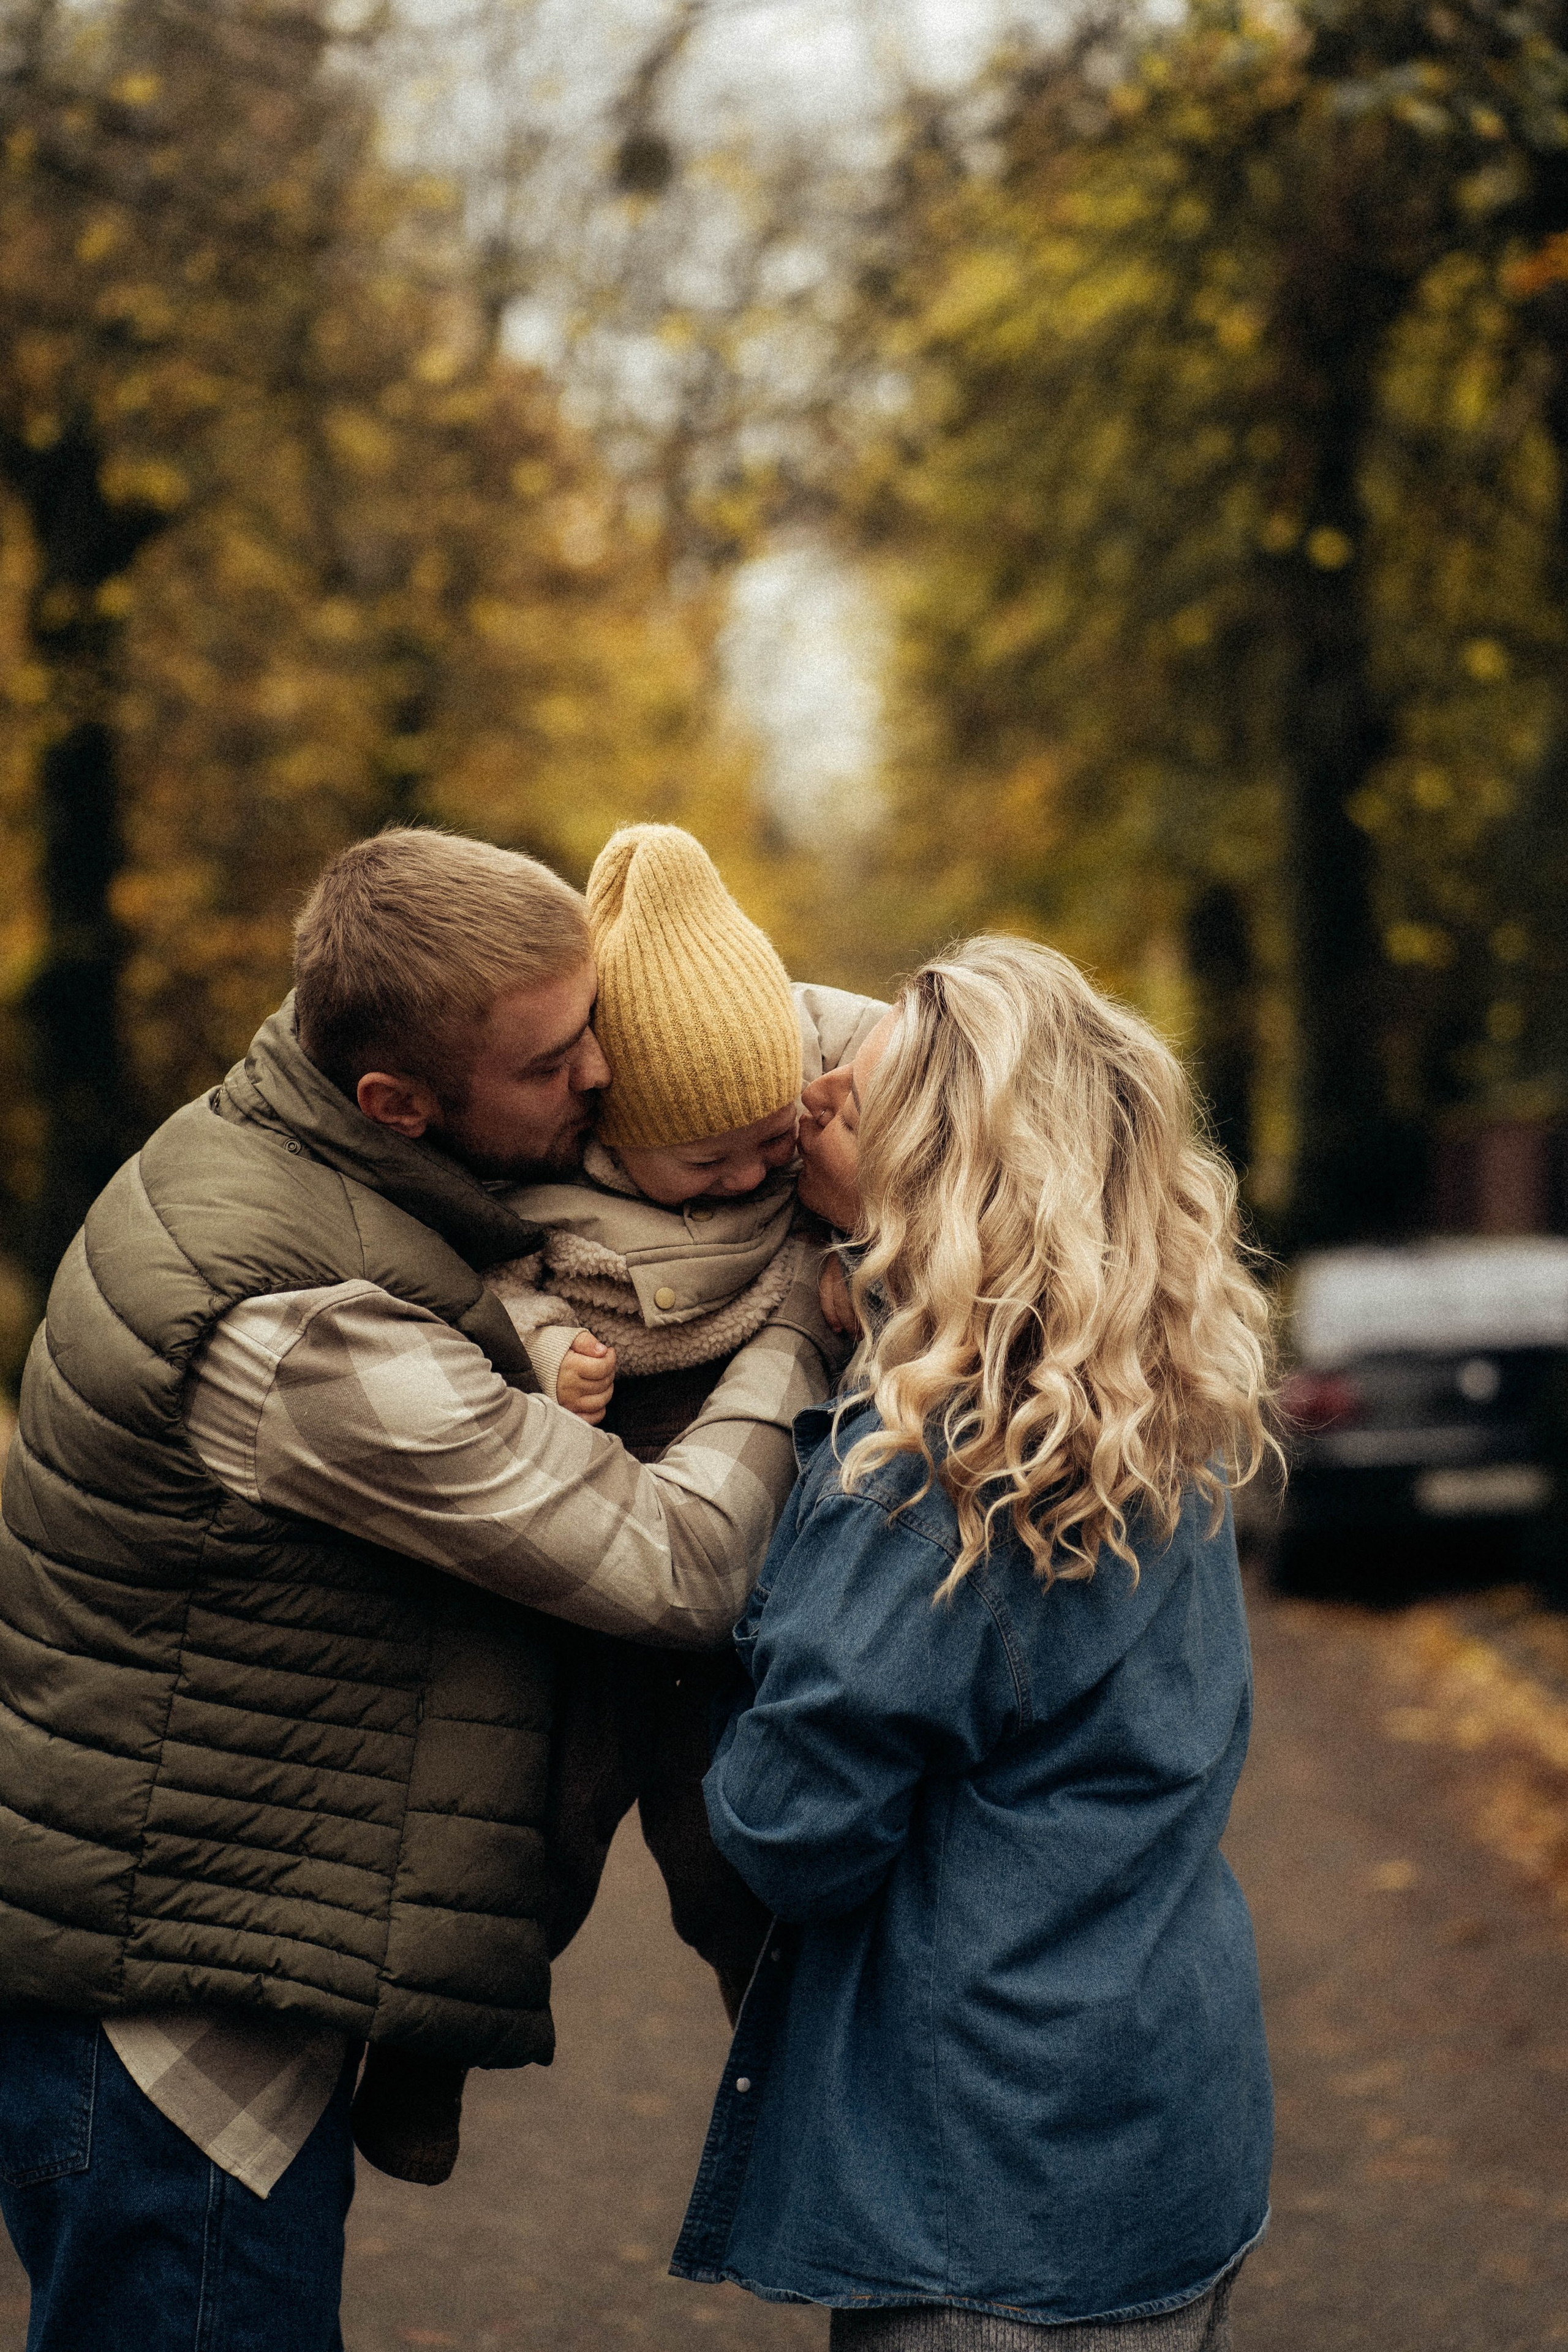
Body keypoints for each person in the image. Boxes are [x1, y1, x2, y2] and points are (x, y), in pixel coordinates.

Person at [0, 827, 859, 2352]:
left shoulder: (301, 1154)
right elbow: (672, 1567)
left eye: (595, 1021)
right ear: (397, 1101)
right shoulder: (299, 1330)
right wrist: (794, 1319)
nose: (602, 1077)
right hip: (170, 2040)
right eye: (552, 1062)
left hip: (203, 1974)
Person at [672, 936, 1276, 2349]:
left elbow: (787, 1828)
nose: (811, 1096)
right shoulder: (1148, 1392)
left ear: (941, 1165)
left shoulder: (928, 1479)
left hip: (985, 2189)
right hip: (1162, 2120)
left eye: (855, 1093)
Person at [355, 821, 886, 2182]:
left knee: (737, 1846)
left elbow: (909, 1113)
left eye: (770, 1141)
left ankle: (801, 2088)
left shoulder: (793, 1118)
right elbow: (469, 1287)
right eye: (706, 1161)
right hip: (590, 1527)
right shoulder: (527, 1184)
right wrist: (537, 1358)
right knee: (525, 1825)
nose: (749, 1176)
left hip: (751, 1541)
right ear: (606, 1126)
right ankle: (423, 2060)